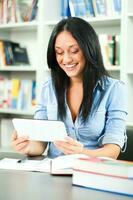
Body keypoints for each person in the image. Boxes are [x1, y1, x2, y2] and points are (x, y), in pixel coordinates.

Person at [11, 17, 127, 159]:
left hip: (92, 172)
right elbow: (40, 144)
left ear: (89, 49)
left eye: (74, 50)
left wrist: (82, 153)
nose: (66, 59)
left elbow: (112, 151)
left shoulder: (114, 89)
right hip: (54, 174)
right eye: (59, 52)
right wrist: (28, 147)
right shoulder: (49, 88)